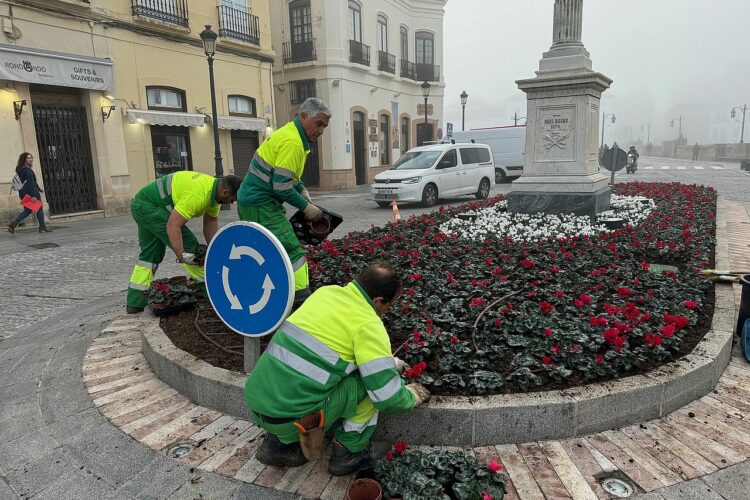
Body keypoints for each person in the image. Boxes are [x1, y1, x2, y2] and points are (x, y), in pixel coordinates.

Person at [244, 263, 431, 476]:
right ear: (378, 300)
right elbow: (386, 397)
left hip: (256, 401)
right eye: (389, 305)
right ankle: (348, 453)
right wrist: (411, 396)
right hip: (290, 418)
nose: (388, 311)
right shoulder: (368, 324)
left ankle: (280, 446)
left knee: (304, 382)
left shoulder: (325, 293)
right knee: (370, 389)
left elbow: (328, 352)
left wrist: (388, 362)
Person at [237, 97, 331, 305]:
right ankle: (300, 300)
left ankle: (264, 295)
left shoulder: (289, 133)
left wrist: (302, 189)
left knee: (264, 250)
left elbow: (284, 175)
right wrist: (306, 207)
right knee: (291, 250)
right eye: (318, 124)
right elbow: (280, 186)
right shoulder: (293, 143)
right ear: (303, 116)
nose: (321, 130)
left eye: (324, 126)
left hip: (253, 202)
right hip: (261, 204)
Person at [125, 171, 242, 313]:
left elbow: (210, 223)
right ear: (225, 192)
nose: (231, 203)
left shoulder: (214, 193)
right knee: (191, 247)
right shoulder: (198, 195)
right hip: (147, 207)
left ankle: (134, 302)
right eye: (232, 199)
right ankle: (211, 294)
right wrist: (182, 255)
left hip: (143, 205)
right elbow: (173, 225)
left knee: (150, 255)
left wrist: (214, 251)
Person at [8, 152, 49, 234]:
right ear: (24, 159)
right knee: (39, 208)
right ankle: (42, 228)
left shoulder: (20, 169)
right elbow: (30, 183)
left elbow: (29, 181)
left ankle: (13, 223)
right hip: (31, 193)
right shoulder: (27, 170)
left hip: (23, 193)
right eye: (28, 158)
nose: (31, 159)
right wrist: (33, 195)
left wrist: (39, 188)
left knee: (28, 210)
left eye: (31, 158)